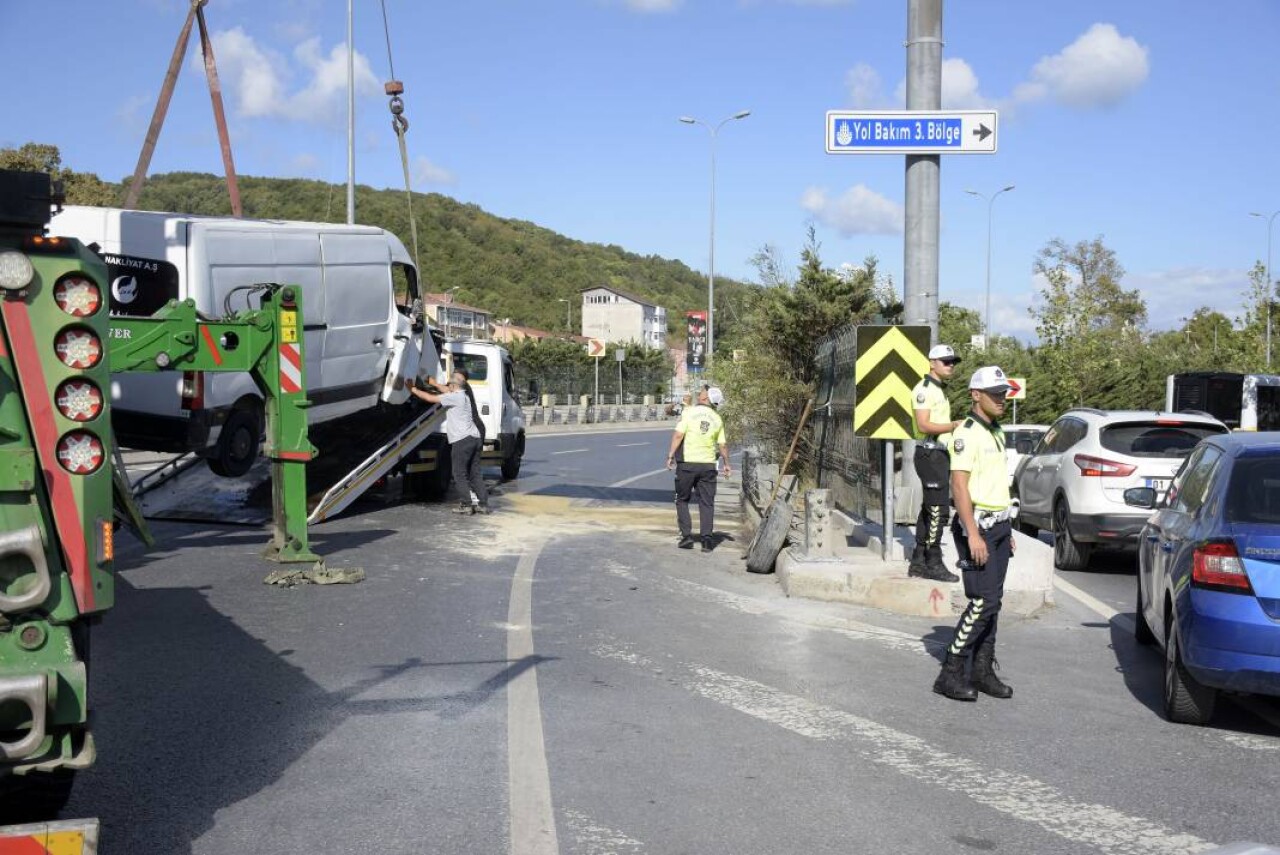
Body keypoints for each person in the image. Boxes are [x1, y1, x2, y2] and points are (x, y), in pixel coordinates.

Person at [933, 365, 1018, 702]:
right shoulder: (966, 433)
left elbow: (996, 482)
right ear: (975, 395)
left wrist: (1005, 526)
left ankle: (982, 670)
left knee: (994, 603)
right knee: (983, 600)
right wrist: (973, 534)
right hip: (976, 529)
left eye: (1004, 393)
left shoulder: (996, 432)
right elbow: (959, 485)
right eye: (995, 393)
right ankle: (950, 671)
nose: (1001, 399)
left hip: (998, 527)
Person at [909, 344, 965, 583]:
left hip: (938, 455)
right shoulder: (924, 389)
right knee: (938, 512)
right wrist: (953, 425)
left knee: (928, 510)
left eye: (953, 361)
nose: (950, 365)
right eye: (946, 361)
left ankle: (918, 561)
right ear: (932, 363)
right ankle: (933, 561)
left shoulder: (939, 389)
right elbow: (923, 425)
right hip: (929, 454)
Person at [408, 369, 490, 515]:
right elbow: (446, 389)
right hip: (475, 437)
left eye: (450, 383)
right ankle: (483, 504)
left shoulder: (454, 397)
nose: (448, 386)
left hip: (462, 439)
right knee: (474, 472)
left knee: (459, 473)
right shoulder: (463, 394)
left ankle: (466, 505)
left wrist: (412, 389)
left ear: (454, 385)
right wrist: (434, 383)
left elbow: (429, 398)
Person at [666, 385, 731, 553]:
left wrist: (671, 455)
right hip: (708, 465)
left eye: (702, 392)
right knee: (707, 502)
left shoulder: (689, 412)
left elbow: (678, 435)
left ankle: (687, 537)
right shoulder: (717, 418)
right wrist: (727, 464)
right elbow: (722, 444)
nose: (700, 393)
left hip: (687, 463)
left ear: (704, 398)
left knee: (682, 499)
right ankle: (707, 541)